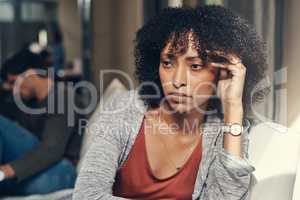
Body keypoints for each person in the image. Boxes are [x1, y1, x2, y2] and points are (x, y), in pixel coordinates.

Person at [73, 5, 269, 200]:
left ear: (222, 72)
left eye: (195, 66)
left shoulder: (223, 131)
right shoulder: (123, 109)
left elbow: (227, 197)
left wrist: (233, 106)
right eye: (167, 62)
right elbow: (87, 194)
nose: (177, 80)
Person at [0, 47, 83, 195]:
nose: (14, 90)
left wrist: (5, 171)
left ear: (31, 74)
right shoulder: (27, 103)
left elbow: (51, 149)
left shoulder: (63, 96)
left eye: (14, 82)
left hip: (61, 168)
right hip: (37, 167)